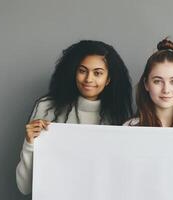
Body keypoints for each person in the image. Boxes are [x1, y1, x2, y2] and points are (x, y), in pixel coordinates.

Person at [16, 40, 133, 195]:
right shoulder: (47, 108)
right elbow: (25, 188)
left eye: (98, 73)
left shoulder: (119, 117)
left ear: (108, 79)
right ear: (73, 72)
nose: (88, 79)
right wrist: (29, 144)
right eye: (82, 71)